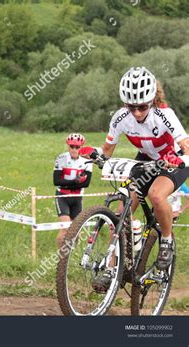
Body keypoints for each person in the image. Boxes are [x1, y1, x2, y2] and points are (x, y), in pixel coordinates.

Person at [80, 66, 189, 290]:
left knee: (156, 195)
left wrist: (181, 159)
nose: (137, 113)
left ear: (151, 100)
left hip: (171, 160)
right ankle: (112, 268)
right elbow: (107, 150)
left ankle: (166, 240)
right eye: (132, 107)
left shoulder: (164, 115)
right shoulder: (121, 118)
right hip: (145, 161)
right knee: (121, 213)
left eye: (142, 107)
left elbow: (186, 146)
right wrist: (95, 155)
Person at [53, 133, 92, 248]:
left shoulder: (87, 161)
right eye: (71, 146)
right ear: (68, 146)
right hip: (62, 197)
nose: (74, 149)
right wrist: (75, 182)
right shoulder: (61, 158)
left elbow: (86, 183)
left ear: (81, 147)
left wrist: (68, 183)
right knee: (65, 228)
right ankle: (60, 258)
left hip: (77, 198)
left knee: (76, 231)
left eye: (77, 147)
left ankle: (70, 255)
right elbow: (56, 181)